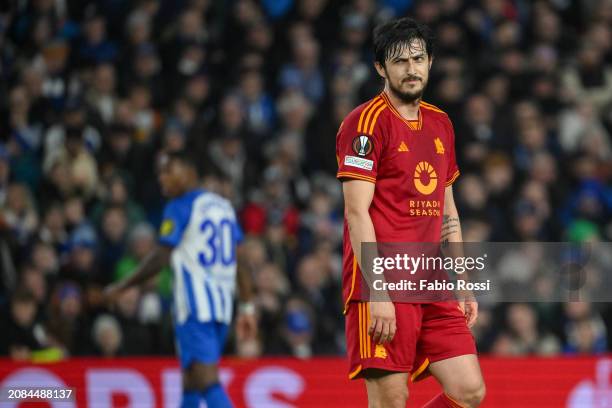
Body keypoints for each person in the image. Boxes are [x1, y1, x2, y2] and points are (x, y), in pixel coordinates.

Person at [336, 18, 485, 407]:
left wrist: (463, 281)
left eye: (418, 58)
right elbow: (356, 213)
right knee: (391, 400)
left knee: (469, 390)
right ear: (380, 68)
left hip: (430, 279)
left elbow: (447, 207)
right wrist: (378, 291)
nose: (411, 69)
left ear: (431, 62)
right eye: (399, 61)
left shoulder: (441, 123)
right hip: (380, 278)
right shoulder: (364, 125)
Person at [104, 150, 257, 408]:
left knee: (208, 383)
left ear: (189, 171)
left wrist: (122, 286)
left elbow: (161, 256)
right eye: (160, 173)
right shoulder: (224, 207)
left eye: (168, 170)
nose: (162, 178)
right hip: (221, 309)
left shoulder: (180, 206)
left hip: (195, 309)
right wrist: (247, 307)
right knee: (191, 384)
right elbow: (239, 261)